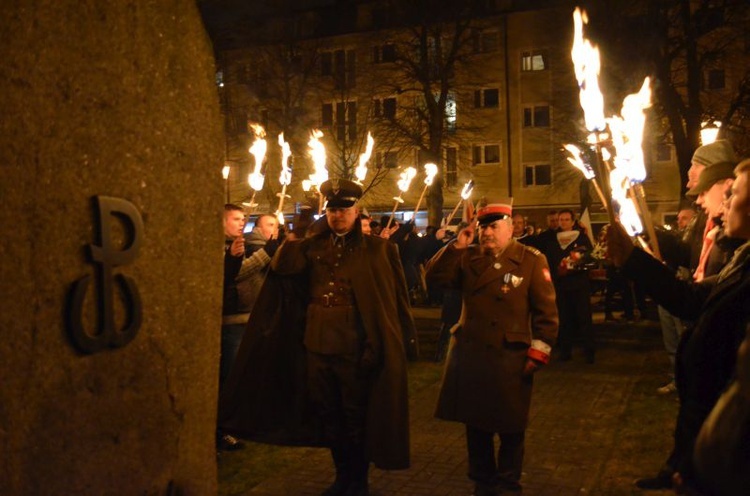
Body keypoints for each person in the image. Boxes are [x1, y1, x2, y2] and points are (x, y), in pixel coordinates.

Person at [219, 178, 418, 496]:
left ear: (356, 211)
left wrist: (394, 340)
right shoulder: (312, 246)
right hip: (317, 345)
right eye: (333, 209)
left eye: (344, 209)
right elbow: (282, 272)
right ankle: (343, 477)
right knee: (330, 416)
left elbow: (393, 299)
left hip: (356, 348)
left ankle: (358, 481)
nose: (338, 215)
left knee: (356, 417)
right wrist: (296, 236)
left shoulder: (379, 249)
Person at [607, 158, 750, 493]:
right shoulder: (742, 259)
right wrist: (631, 258)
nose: (724, 203)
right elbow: (691, 297)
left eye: (736, 193)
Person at [425, 198, 558, 496]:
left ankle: (508, 483)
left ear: (509, 228)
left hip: (511, 356)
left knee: (511, 427)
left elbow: (546, 312)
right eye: (483, 227)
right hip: (473, 356)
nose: (486, 233)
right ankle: (483, 482)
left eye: (493, 227)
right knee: (477, 425)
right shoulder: (468, 258)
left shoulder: (530, 260)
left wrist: (539, 351)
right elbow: (432, 279)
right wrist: (456, 246)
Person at [540, 208, 595, 363]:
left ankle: (589, 351)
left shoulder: (582, 238)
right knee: (564, 319)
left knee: (584, 318)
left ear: (572, 221)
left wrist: (577, 262)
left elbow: (589, 257)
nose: (562, 222)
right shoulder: (552, 240)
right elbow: (548, 261)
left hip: (579, 284)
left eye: (566, 219)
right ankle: (565, 350)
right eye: (560, 220)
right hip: (560, 285)